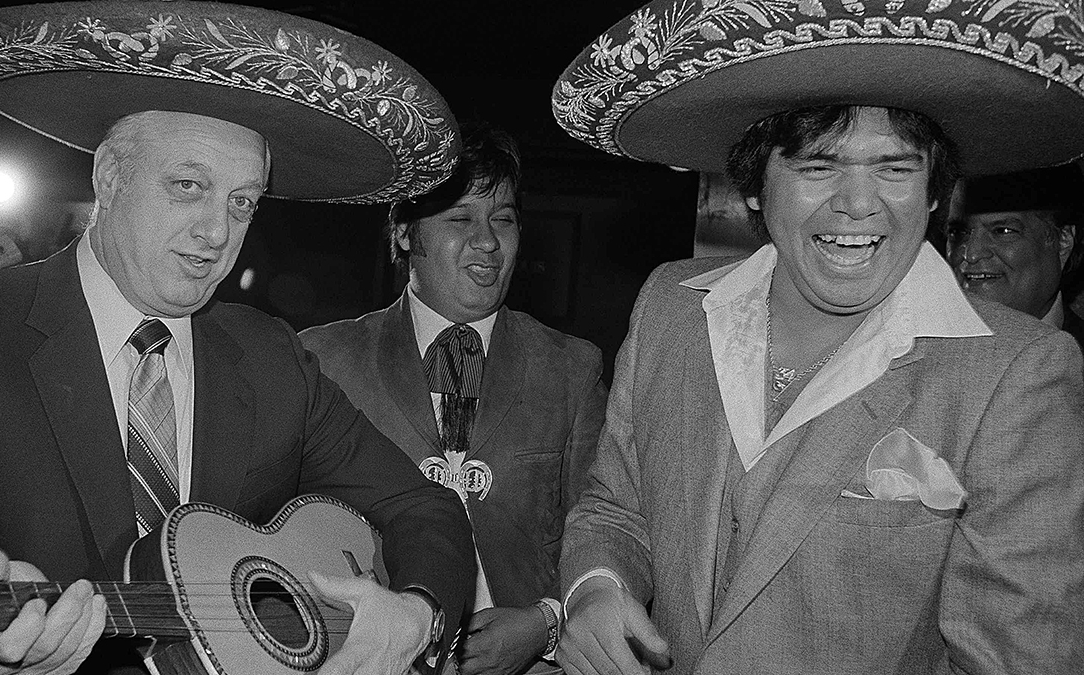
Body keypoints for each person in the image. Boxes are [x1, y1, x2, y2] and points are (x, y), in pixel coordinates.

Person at [0, 4, 475, 675]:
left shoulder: (270, 354)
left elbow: (422, 504)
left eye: (242, 201)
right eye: (188, 186)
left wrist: (417, 615)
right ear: (108, 176)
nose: (217, 231)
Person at [549, 0, 1084, 673]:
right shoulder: (672, 307)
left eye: (895, 169)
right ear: (754, 189)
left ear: (936, 196)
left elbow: (1015, 657)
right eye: (817, 167)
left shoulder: (1018, 374)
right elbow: (614, 506)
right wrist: (596, 589)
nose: (858, 204)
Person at [300, 123, 608, 675]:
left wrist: (545, 625)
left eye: (504, 219)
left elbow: (608, 529)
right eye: (460, 218)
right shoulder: (322, 361)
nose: (487, 241)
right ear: (402, 233)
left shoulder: (571, 370)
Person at [944, 163, 1084, 349]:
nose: (971, 254)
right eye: (957, 232)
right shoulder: (909, 351)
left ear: (1063, 241)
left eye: (1002, 231)